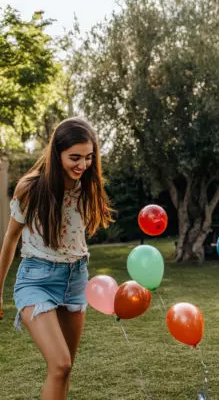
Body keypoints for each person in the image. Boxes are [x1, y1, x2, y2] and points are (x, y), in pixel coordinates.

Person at [0, 118, 113, 400]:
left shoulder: (87, 185)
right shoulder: (31, 189)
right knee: (60, 363)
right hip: (36, 279)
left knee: (65, 369)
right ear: (56, 153)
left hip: (75, 279)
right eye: (74, 157)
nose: (82, 165)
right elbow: (11, 239)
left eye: (88, 158)